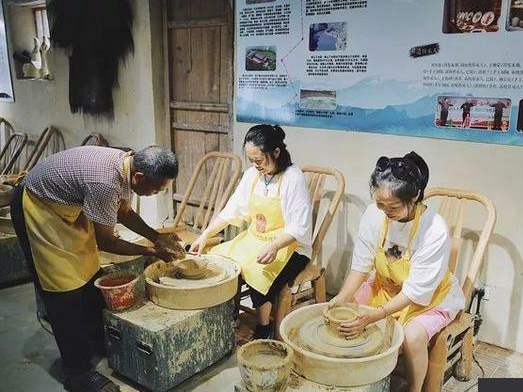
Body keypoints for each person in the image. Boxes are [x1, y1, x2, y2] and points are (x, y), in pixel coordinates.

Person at [10, 145, 181, 392]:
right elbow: (107, 242)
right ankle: (76, 372)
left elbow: (124, 212)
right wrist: (152, 251)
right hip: (38, 206)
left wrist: (157, 237)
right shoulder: (106, 181)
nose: (156, 193)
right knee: (63, 291)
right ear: (139, 177)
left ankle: (94, 340)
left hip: (65, 207)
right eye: (156, 189)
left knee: (91, 275)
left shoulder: (127, 165)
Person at [329, 152, 464, 392]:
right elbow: (361, 265)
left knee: (412, 336)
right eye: (380, 203)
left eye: (393, 206)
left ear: (415, 196)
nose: (385, 211)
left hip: (428, 298)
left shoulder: (434, 229)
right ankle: (355, 376)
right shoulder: (374, 215)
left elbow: (415, 292)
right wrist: (341, 298)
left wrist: (372, 316)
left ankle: (415, 387)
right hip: (386, 286)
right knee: (345, 312)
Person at [191, 124, 312, 339]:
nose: (255, 165)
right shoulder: (251, 176)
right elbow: (231, 211)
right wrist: (204, 235)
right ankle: (230, 315)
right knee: (220, 258)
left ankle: (264, 327)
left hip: (288, 245)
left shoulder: (293, 177)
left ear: (276, 152)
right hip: (255, 238)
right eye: (251, 160)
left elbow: (299, 226)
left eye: (259, 160)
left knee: (257, 271)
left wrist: (275, 245)